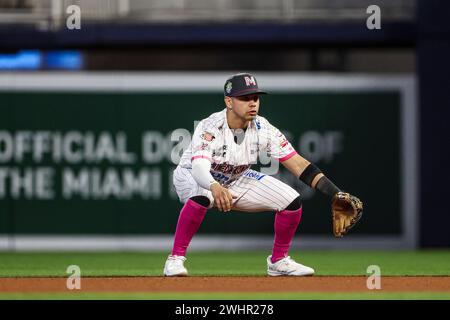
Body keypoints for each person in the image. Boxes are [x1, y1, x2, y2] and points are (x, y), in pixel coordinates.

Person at [164, 72, 344, 277]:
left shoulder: (263, 127)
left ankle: (279, 261)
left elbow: (299, 165)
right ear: (229, 101)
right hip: (193, 175)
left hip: (235, 178)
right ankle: (175, 260)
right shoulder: (210, 126)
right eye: (245, 98)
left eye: (255, 98)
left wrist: (335, 193)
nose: (252, 103)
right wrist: (214, 186)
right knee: (203, 196)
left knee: (291, 200)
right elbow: (199, 169)